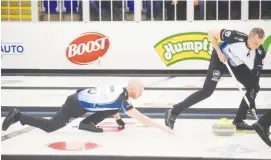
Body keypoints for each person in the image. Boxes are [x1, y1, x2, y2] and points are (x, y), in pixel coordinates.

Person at [165, 28, 266, 130]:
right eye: (255, 43)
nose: (257, 47)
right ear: (249, 37)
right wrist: (218, 52)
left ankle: (238, 121)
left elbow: (255, 77)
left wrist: (252, 101)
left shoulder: (260, 52)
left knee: (254, 86)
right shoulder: (236, 36)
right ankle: (173, 112)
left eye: (259, 44)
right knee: (207, 91)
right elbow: (211, 34)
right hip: (220, 58)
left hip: (236, 63)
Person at [2, 79, 173, 134]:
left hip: (80, 101)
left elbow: (111, 107)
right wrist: (163, 129)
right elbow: (141, 118)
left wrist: (119, 120)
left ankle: (86, 124)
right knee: (50, 127)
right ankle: (18, 116)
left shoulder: (119, 92)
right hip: (75, 105)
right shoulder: (122, 100)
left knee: (111, 109)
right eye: (141, 91)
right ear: (133, 89)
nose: (141, 94)